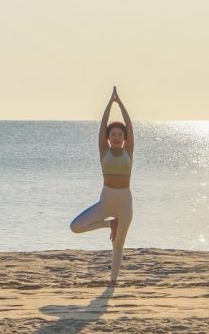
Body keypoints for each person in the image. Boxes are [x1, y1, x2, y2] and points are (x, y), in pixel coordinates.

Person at [70, 86, 134, 287]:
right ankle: (109, 224)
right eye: (113, 134)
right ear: (108, 137)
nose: (116, 137)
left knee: (119, 244)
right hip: (106, 202)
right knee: (76, 227)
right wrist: (109, 103)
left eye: (119, 135)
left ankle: (113, 281)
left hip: (124, 203)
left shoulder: (129, 151)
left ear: (124, 138)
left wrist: (120, 103)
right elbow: (102, 125)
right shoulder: (104, 150)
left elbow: (130, 126)